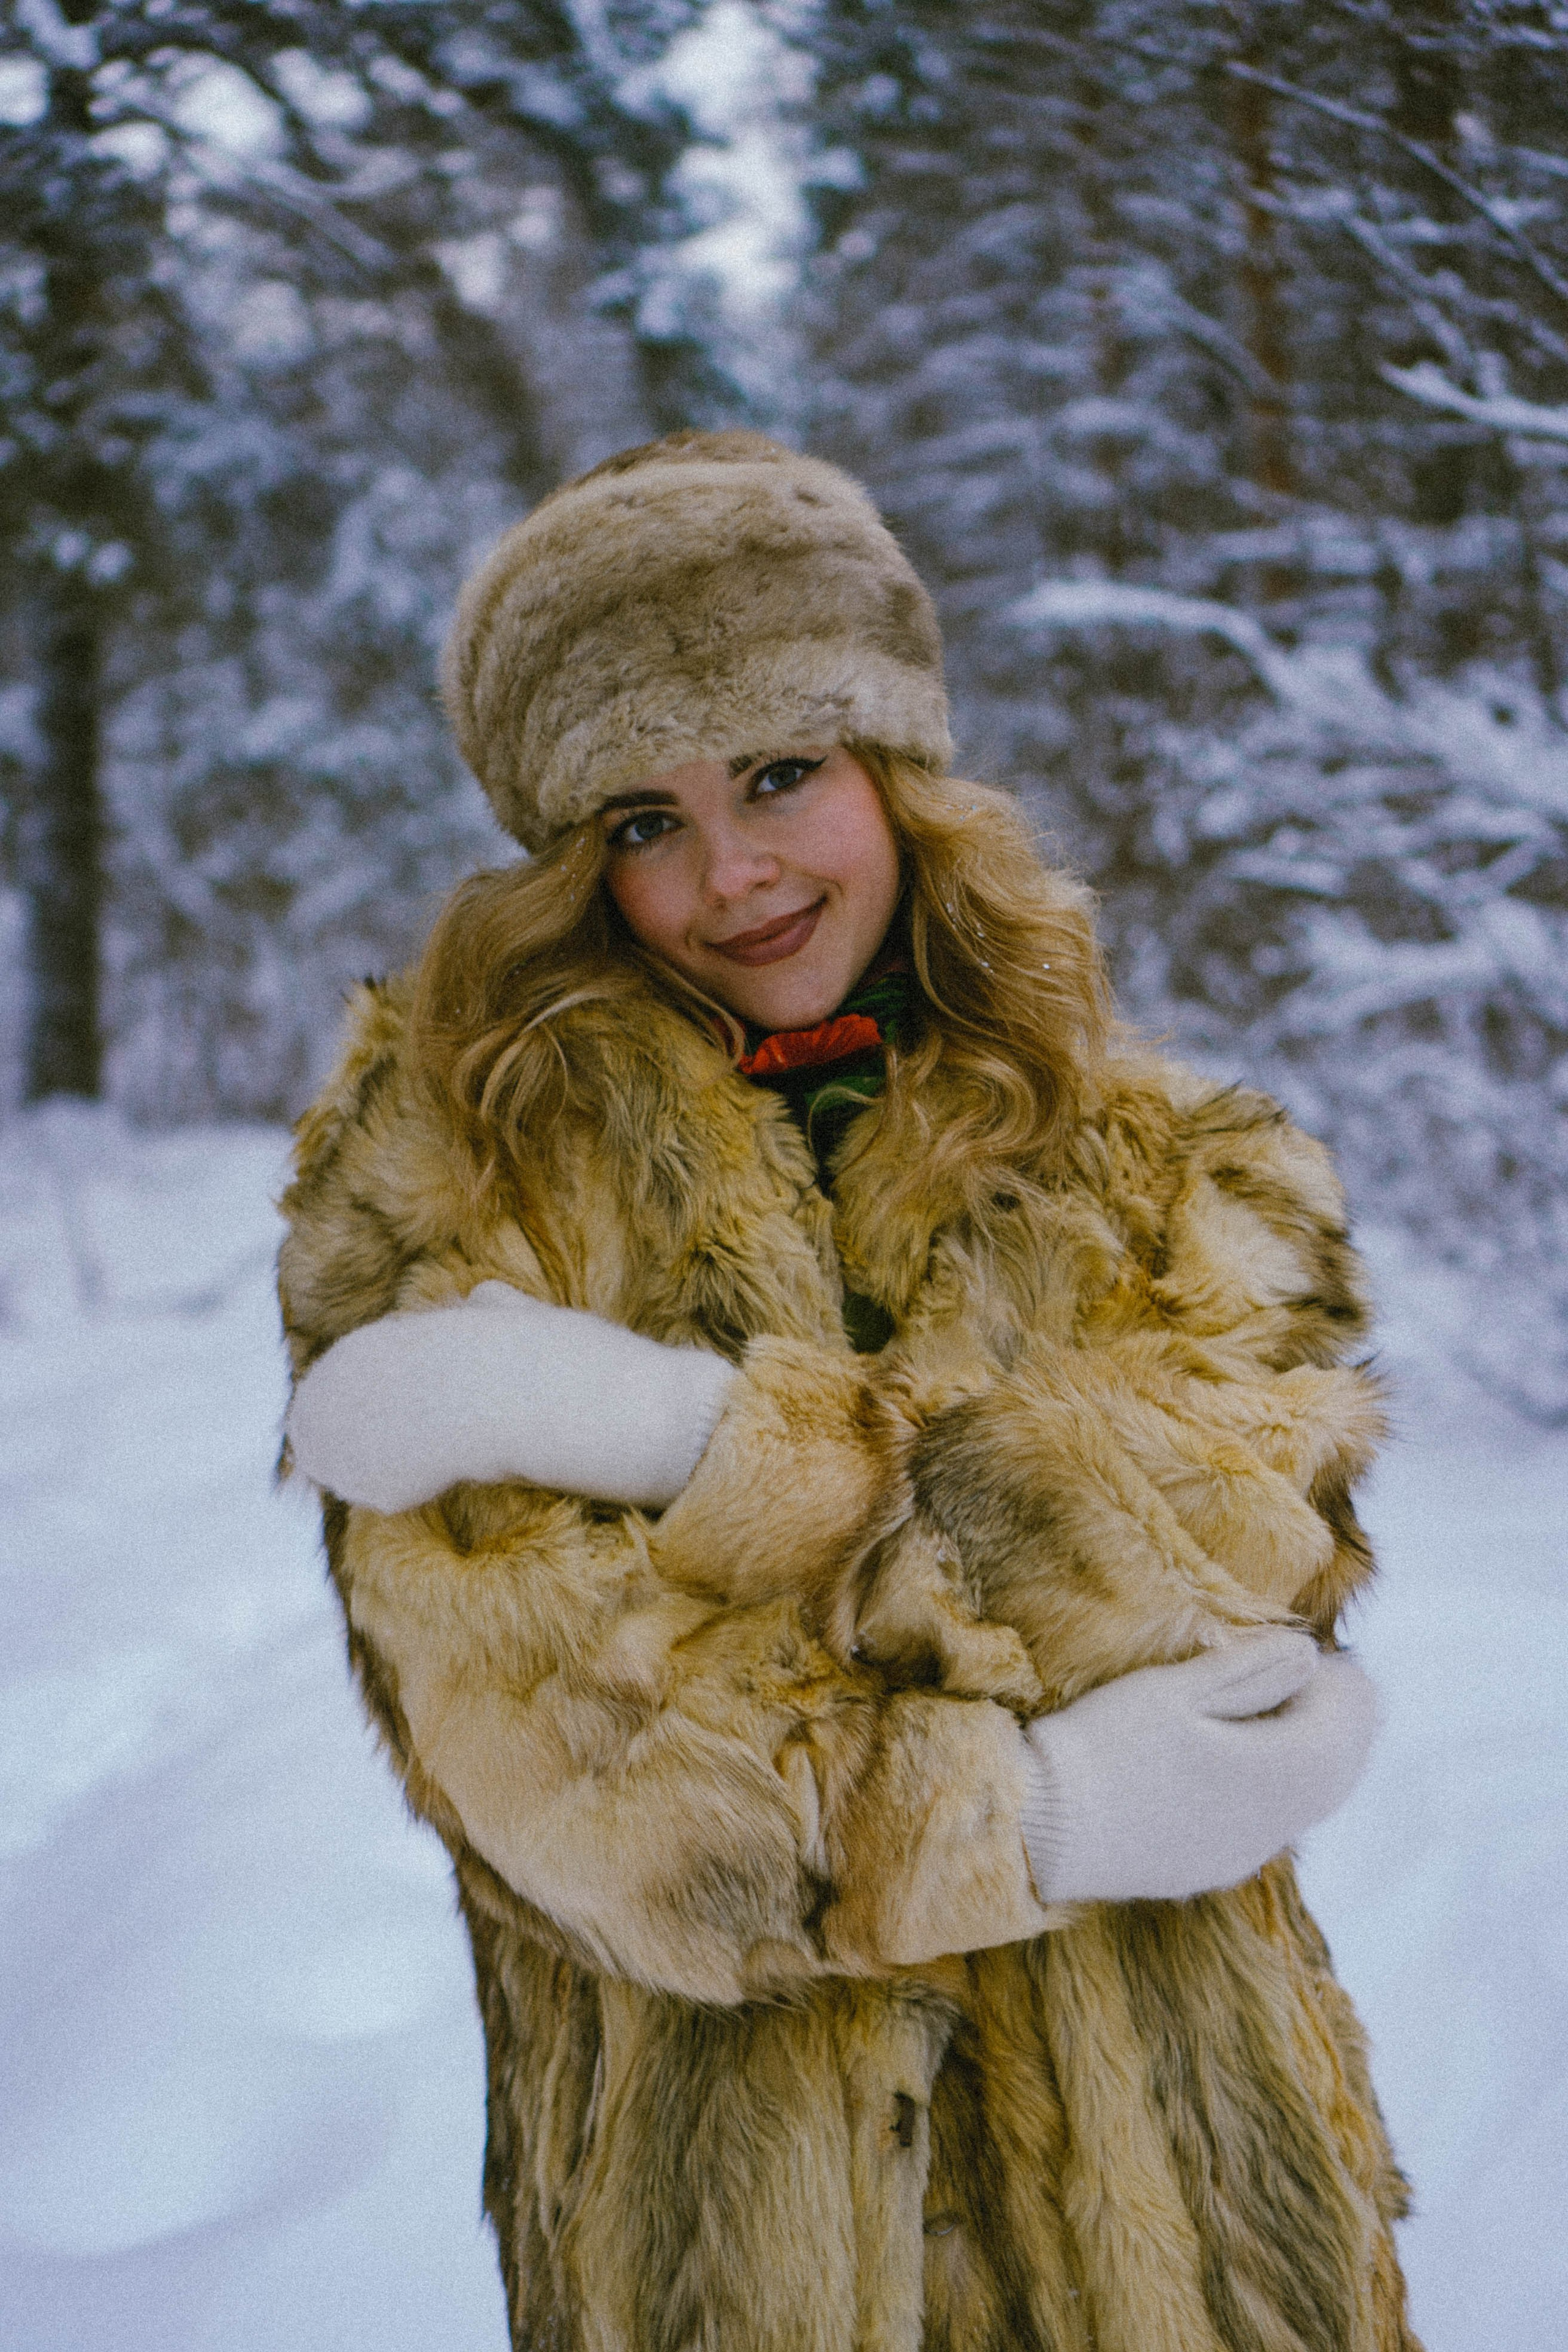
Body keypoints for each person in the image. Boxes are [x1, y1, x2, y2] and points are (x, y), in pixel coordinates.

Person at [279, 431, 1419, 2352]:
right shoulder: (462, 1188)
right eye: (640, 818)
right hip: (743, 2258)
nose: (731, 873)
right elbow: (588, 1784)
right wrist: (1044, 1808)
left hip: (1202, 2229)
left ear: (894, 765)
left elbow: (1231, 1563)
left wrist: (685, 1444)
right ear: (569, 862)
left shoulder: (1172, 1157)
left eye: (781, 776)